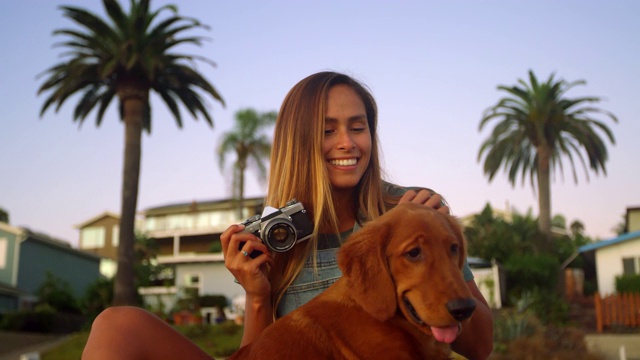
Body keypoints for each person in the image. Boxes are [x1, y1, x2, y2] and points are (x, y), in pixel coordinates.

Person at [82, 71, 493, 360]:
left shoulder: (408, 214)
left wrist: (434, 245)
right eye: (328, 129)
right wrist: (257, 295)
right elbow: (261, 353)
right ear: (300, 140)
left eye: (358, 126)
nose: (347, 142)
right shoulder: (278, 233)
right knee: (117, 325)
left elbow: (481, 347)